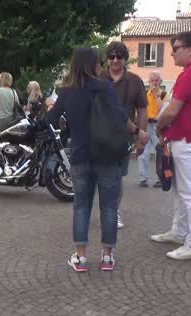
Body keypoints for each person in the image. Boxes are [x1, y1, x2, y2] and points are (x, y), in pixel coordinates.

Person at [48, 47, 145, 272]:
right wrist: (139, 133)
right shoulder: (105, 87)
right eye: (100, 62)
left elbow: (51, 118)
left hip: (80, 155)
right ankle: (107, 258)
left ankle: (81, 258)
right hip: (108, 155)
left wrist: (65, 122)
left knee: (81, 207)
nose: (103, 65)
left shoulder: (67, 91)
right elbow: (121, 117)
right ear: (93, 64)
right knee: (109, 207)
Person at [152, 31, 191, 260]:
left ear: (190, 49)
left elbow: (171, 110)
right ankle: (179, 233)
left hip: (187, 141)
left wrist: (158, 128)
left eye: (176, 48)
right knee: (182, 192)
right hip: (186, 139)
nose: (172, 53)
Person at [99, 41, 149, 229]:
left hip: (124, 137)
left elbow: (142, 109)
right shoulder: (99, 78)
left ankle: (114, 211)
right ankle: (104, 210)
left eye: (119, 56)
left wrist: (141, 136)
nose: (115, 60)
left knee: (117, 177)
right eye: (111, 56)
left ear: (125, 59)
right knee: (101, 176)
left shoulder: (135, 81)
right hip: (99, 135)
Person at [139, 71, 167, 188]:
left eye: (156, 81)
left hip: (158, 126)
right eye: (152, 81)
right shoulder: (145, 94)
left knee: (160, 153)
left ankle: (160, 178)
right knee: (143, 153)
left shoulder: (163, 94)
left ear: (160, 82)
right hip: (146, 125)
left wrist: (156, 96)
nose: (154, 83)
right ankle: (143, 178)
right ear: (149, 82)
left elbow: (163, 110)